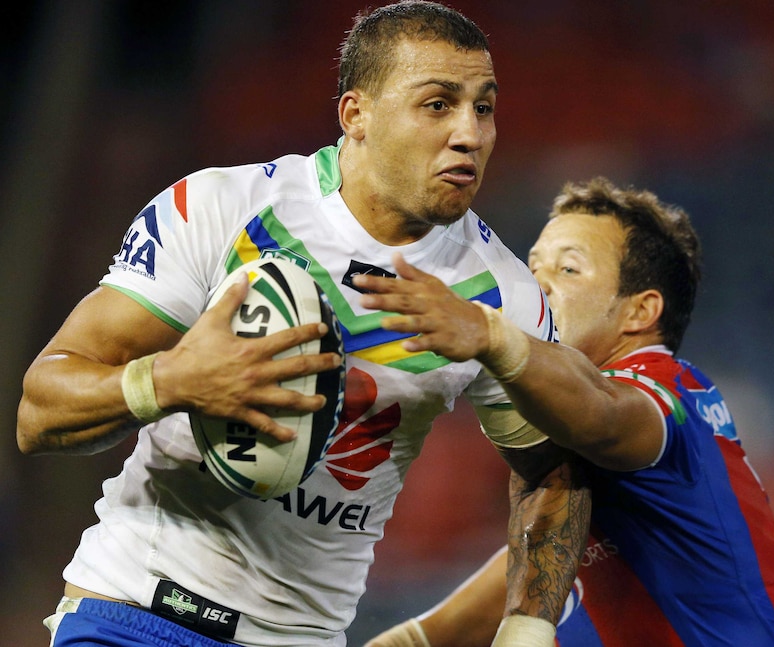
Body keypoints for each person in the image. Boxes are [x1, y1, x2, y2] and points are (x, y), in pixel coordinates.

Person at [16, 3, 587, 646]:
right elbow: (40, 411)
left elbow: (551, 473)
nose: (470, 134)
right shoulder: (221, 207)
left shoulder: (504, 295)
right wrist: (172, 380)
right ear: (356, 116)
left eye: (483, 108)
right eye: (438, 105)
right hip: (134, 609)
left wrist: (528, 625)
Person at [357, 177, 774, 646]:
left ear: (639, 312)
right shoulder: (581, 486)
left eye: (569, 269)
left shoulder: (669, 391)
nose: (536, 284)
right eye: (532, 267)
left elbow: (605, 418)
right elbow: (509, 582)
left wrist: (493, 336)